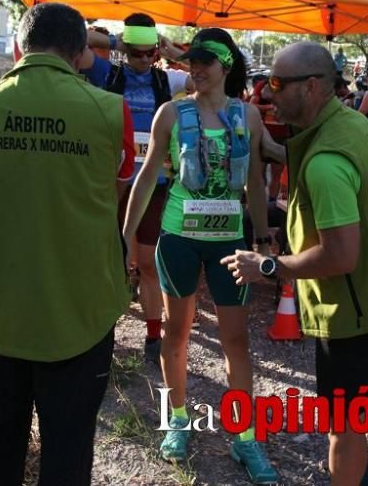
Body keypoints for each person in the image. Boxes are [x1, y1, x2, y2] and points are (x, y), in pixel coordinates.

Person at [0, 3, 135, 485]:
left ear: (17, 47)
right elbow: (109, 196)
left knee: (0, 432)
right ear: (80, 54)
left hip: (0, 309)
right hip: (82, 310)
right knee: (69, 444)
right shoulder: (111, 113)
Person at [222, 42, 368, 486]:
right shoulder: (354, 123)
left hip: (350, 310)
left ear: (313, 86)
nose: (267, 93)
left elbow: (341, 255)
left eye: (278, 84)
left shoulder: (326, 162)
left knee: (343, 423)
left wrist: (269, 266)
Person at [122, 28, 278, 483]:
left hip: (229, 242)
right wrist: (127, 236)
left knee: (236, 341)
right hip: (179, 239)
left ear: (226, 65)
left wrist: (264, 239)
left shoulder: (247, 116)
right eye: (192, 60)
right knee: (177, 333)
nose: (197, 67)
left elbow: (254, 181)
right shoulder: (171, 113)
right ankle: (178, 419)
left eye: (206, 60)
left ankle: (245, 437)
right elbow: (148, 176)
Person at [77, 13, 191, 364]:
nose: (143, 61)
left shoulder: (167, 80)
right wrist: (113, 44)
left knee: (147, 263)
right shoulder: (106, 72)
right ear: (126, 49)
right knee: (105, 259)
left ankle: (153, 337)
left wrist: (176, 52)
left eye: (149, 54)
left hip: (154, 186)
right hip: (111, 183)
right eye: (135, 53)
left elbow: (215, 76)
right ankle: (98, 335)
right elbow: (71, 38)